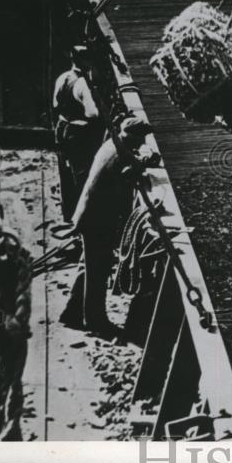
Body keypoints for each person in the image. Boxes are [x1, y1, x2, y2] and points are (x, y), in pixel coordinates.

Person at [60, 115, 157, 334]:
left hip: (87, 215)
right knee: (98, 271)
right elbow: (132, 169)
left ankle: (72, 312)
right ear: (132, 138)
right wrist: (145, 162)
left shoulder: (110, 144)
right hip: (98, 221)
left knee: (88, 265)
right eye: (140, 140)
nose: (142, 144)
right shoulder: (121, 156)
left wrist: (140, 159)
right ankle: (95, 322)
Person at [52, 45, 102, 222]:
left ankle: (67, 214)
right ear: (86, 62)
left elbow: (56, 104)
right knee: (82, 175)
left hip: (62, 127)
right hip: (78, 134)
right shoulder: (82, 84)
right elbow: (92, 114)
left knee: (66, 172)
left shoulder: (62, 77)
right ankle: (83, 218)